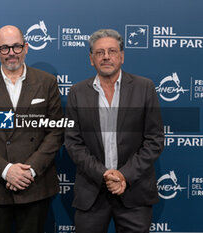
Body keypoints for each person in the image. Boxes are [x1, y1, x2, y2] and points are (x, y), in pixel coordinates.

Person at [64, 29, 164, 233]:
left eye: (112, 51)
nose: (106, 56)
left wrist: (124, 175)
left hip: (134, 192)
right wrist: (104, 174)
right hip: (92, 193)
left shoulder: (145, 88)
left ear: (122, 56)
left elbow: (154, 140)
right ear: (91, 59)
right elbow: (73, 143)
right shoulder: (77, 92)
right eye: (99, 52)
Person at [0, 25, 63, 233]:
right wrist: (6, 170)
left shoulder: (47, 83)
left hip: (34, 186)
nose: (11, 53)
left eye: (17, 46)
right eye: (5, 48)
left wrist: (29, 170)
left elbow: (55, 132)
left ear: (26, 47)